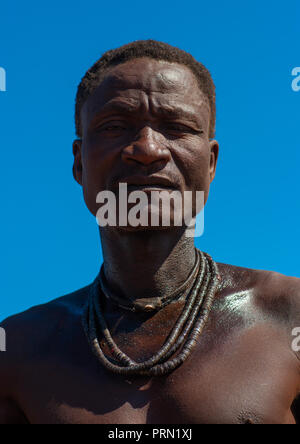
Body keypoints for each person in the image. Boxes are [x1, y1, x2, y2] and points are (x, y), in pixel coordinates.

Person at [0, 40, 299, 425]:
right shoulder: (18, 349)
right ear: (78, 163)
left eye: (175, 127)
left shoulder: (288, 315)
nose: (146, 149)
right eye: (115, 126)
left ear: (210, 164)